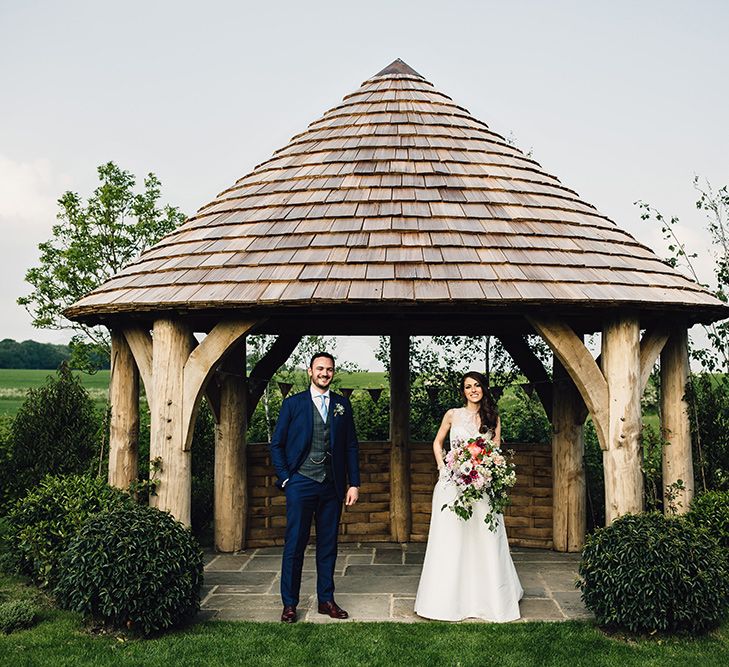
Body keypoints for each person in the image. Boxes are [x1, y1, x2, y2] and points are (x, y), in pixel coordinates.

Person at [414, 370, 523, 622]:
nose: (473, 390)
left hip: (482, 487)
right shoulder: (453, 414)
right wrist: (443, 468)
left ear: (484, 388)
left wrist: (486, 470)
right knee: (453, 540)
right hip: (452, 485)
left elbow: (495, 453)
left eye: (476, 385)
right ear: (462, 391)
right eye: (467, 386)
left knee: (484, 539)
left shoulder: (492, 417)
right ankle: (447, 599)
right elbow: (437, 443)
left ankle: (489, 598)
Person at [269, 352, 360, 624]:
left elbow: (351, 446)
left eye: (329, 369)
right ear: (310, 371)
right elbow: (277, 444)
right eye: (320, 368)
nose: (325, 373)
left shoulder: (342, 405)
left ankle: (326, 600)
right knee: (294, 546)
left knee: (328, 545)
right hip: (300, 483)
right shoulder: (293, 404)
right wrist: (287, 478)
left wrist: (353, 482)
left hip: (331, 486)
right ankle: (289, 604)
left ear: (333, 373)